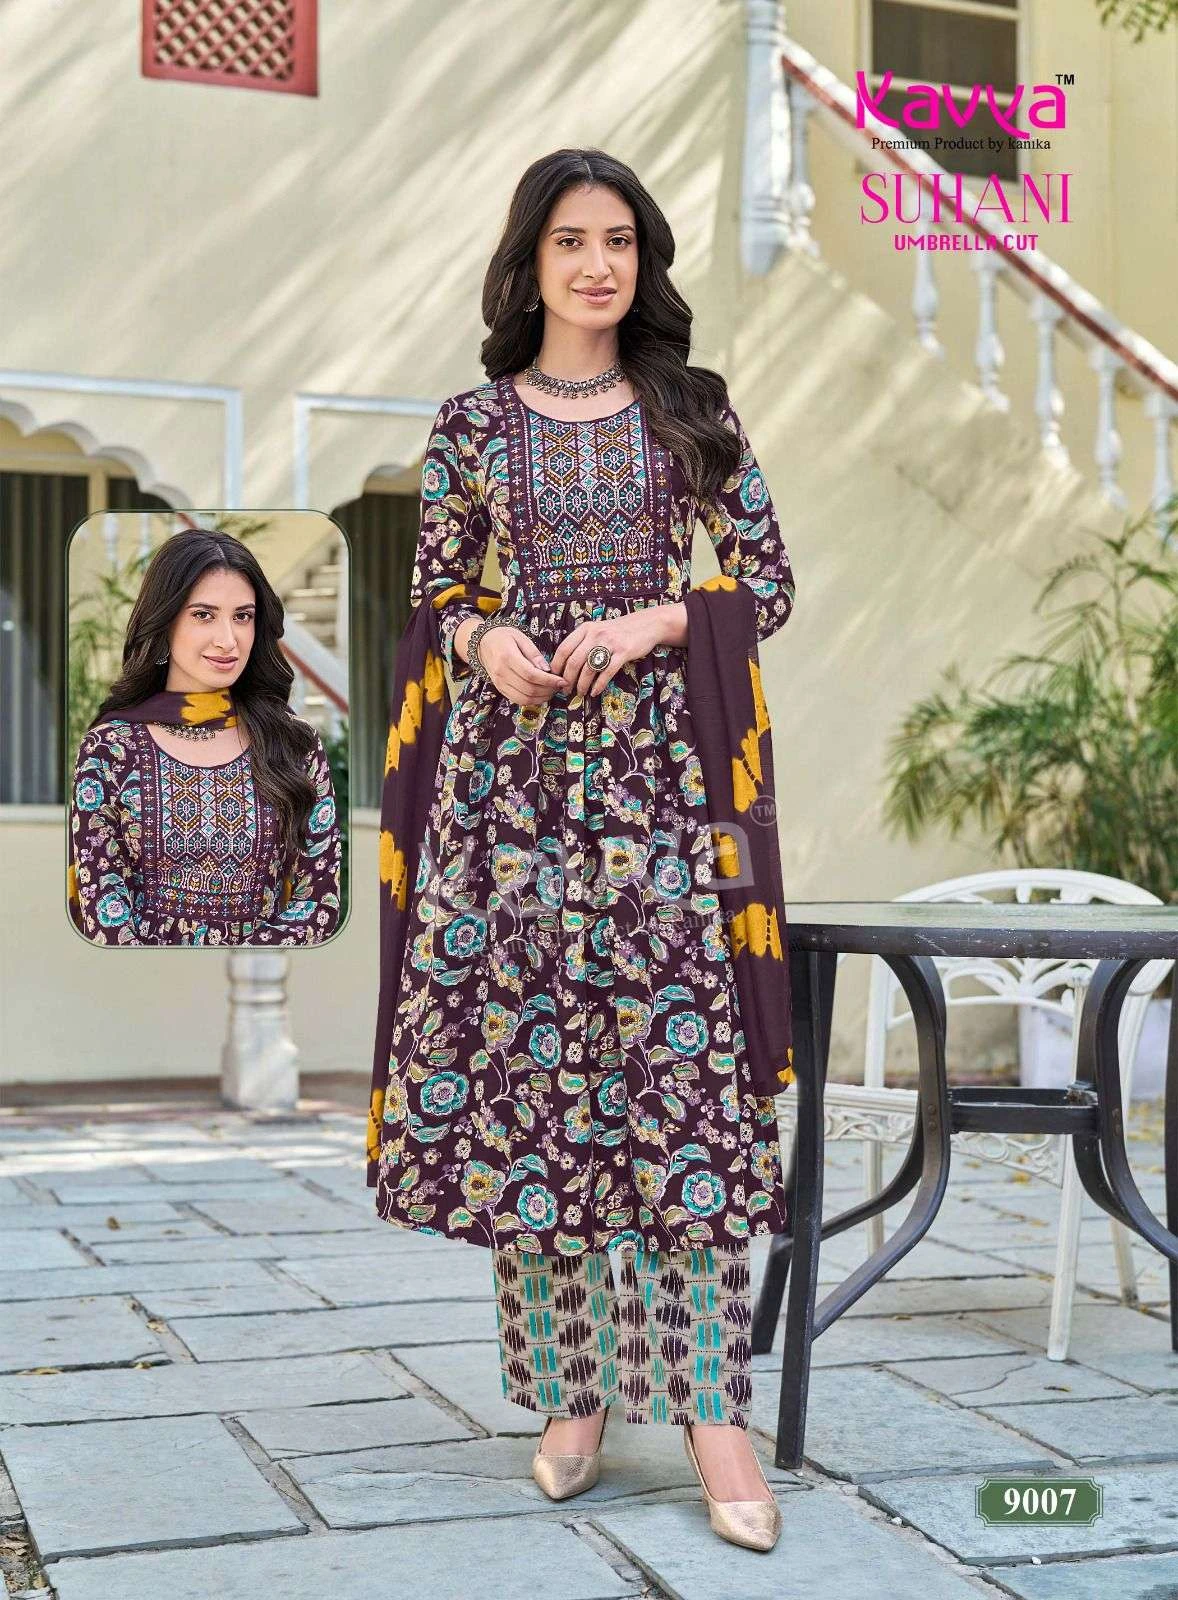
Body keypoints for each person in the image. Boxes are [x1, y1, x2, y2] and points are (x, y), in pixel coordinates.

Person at [368, 148, 797, 1553]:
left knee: (683, 1077)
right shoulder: (470, 424)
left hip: (661, 791)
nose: (598, 264)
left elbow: (763, 581)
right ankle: (571, 1398)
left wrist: (660, 621)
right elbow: (437, 592)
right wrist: (487, 638)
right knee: (538, 1083)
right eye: (571, 241)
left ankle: (712, 1414)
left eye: (619, 240)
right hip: (511, 802)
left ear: (642, 260)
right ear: (530, 262)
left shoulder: (691, 409)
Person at [67, 528, 342, 947]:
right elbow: (102, 904)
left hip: (261, 980)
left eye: (242, 616)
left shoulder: (295, 744)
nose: (228, 640)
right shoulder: (110, 750)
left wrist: (235, 966)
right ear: (165, 622)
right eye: (203, 615)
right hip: (140, 980)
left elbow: (318, 902)